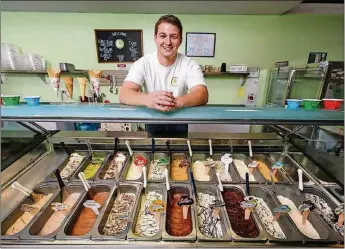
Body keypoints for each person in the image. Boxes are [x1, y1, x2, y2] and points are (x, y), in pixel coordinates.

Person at [119, 14, 208, 135]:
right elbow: (124, 93)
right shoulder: (143, 63)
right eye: (163, 36)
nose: (168, 42)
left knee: (180, 152)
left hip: (180, 120)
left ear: (180, 40)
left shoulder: (190, 64)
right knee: (154, 153)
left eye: (174, 36)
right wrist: (148, 99)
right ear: (155, 38)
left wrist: (177, 102)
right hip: (152, 119)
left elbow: (202, 94)